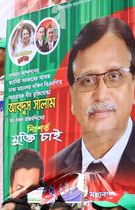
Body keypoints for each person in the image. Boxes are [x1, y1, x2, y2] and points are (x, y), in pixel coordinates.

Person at [51, 17, 135, 192]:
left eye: (114, 76)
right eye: (87, 80)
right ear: (72, 97)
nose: (101, 95)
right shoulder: (54, 167)